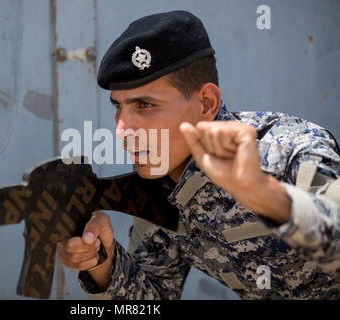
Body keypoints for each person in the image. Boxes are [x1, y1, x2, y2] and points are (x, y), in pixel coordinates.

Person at [56, 10, 340, 299]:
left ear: (206, 103)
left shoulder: (291, 148)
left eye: (144, 105)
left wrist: (267, 195)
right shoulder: (159, 191)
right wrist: (103, 263)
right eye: (119, 106)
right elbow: (153, 297)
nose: (121, 130)